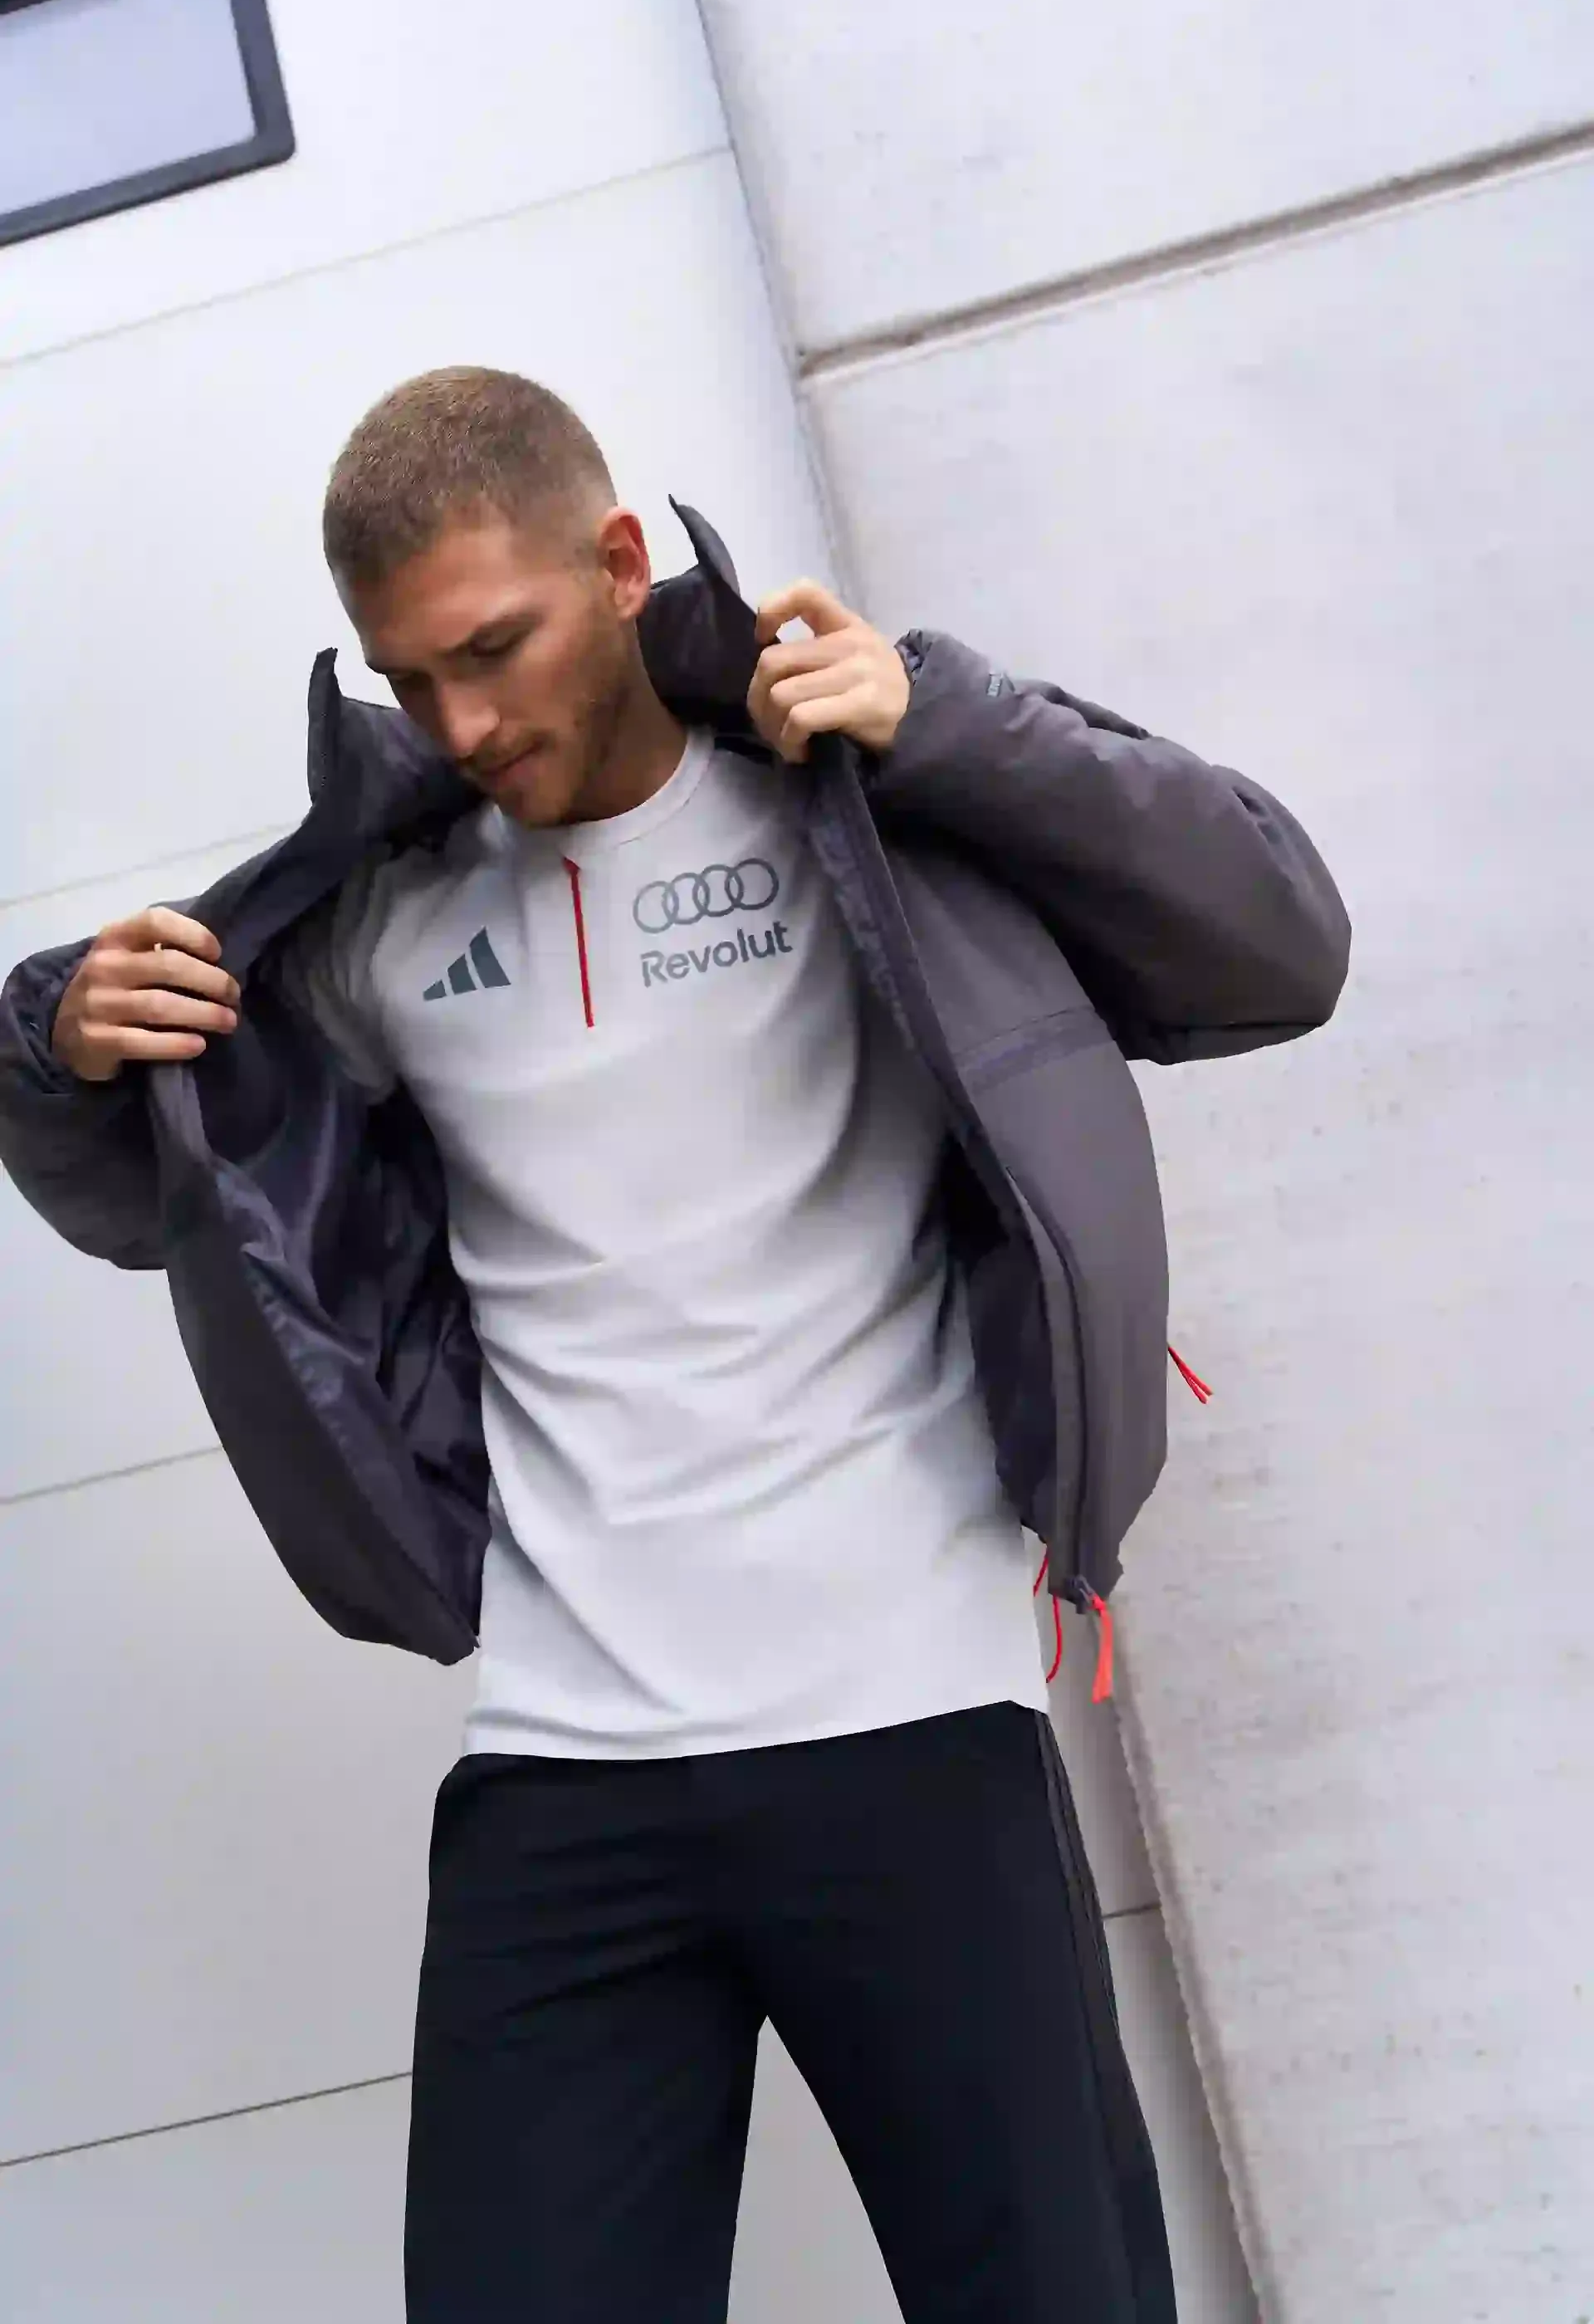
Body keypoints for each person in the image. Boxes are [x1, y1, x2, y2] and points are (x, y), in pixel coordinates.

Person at [0, 368, 1350, 2322]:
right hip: (568, 1763)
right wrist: (51, 1043)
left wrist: (955, 722)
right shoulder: (380, 927)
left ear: (620, 566)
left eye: (495, 649)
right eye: (411, 682)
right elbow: (153, 1186)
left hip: (910, 1718)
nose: (463, 727)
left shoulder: (868, 811)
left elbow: (1274, 945)